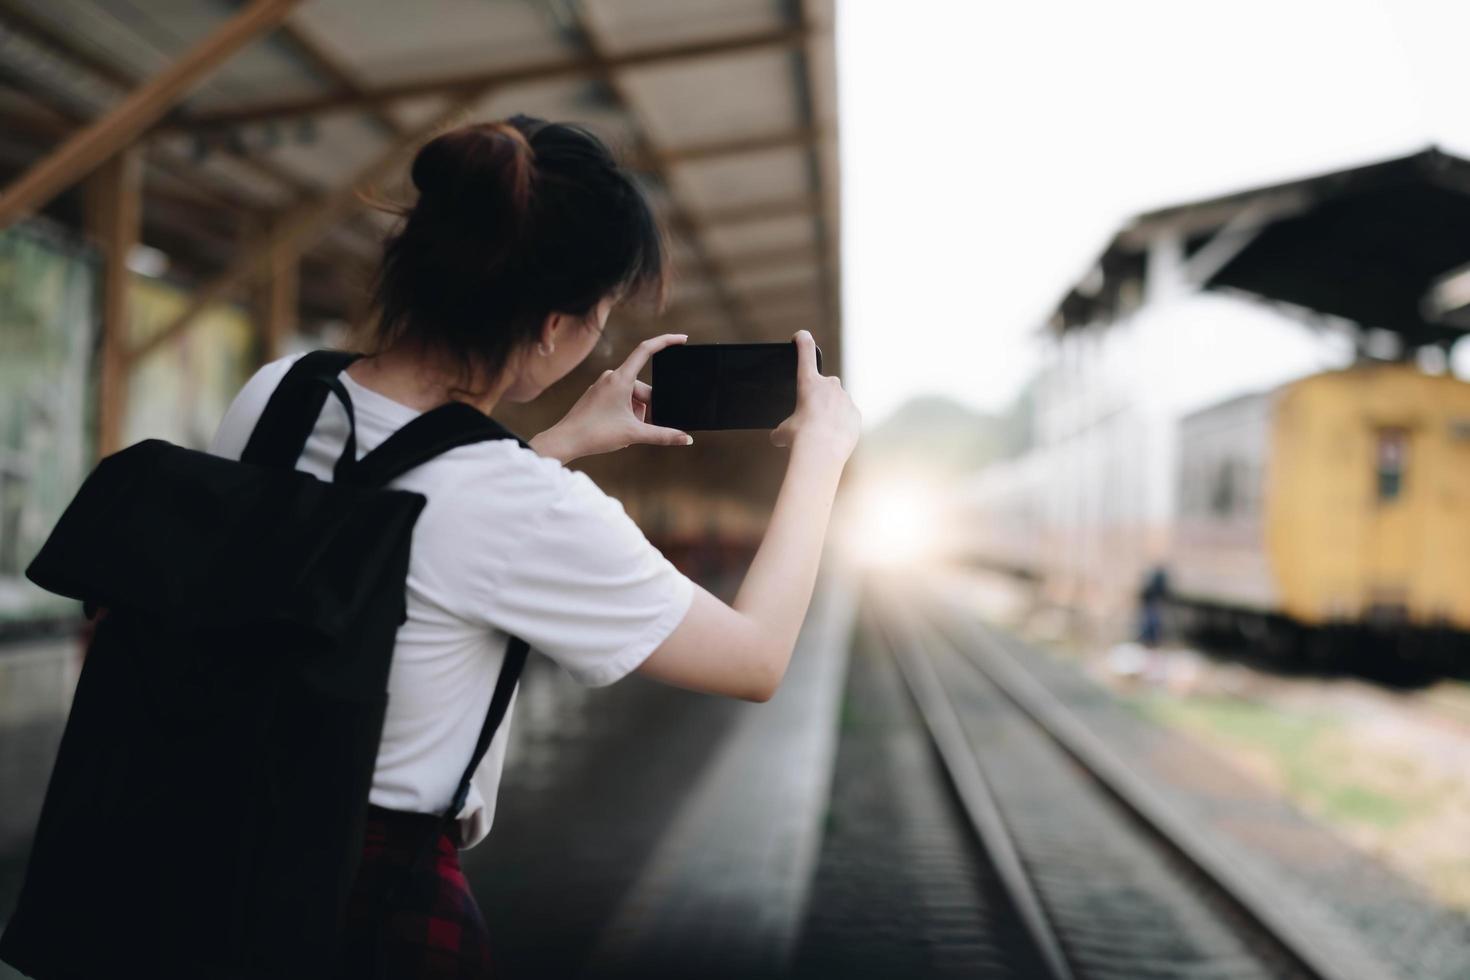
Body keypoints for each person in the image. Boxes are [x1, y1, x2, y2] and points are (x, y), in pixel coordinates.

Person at [206, 113, 860, 978]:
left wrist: (549, 445)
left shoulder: (280, 392)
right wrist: (819, 459)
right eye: (599, 317)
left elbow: (390, 530)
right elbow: (755, 660)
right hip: (362, 902)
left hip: (204, 847)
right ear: (553, 326)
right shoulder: (525, 505)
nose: (599, 338)